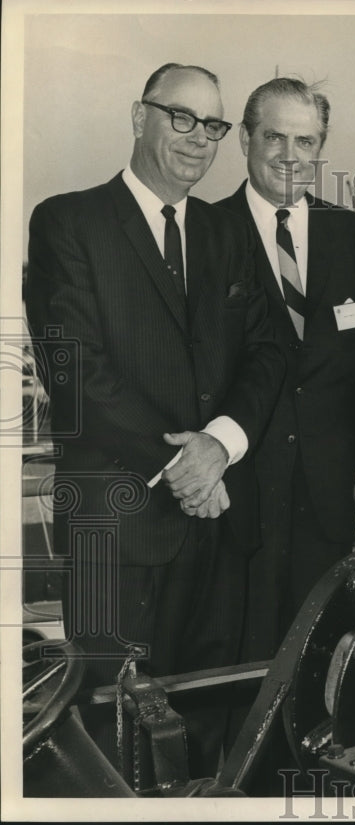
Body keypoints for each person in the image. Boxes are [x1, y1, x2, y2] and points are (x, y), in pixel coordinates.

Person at [25, 63, 284, 776]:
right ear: (139, 115)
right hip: (120, 532)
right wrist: (189, 463)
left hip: (218, 531)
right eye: (181, 118)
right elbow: (76, 373)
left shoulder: (225, 232)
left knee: (205, 734)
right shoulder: (68, 221)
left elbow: (267, 351)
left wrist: (222, 443)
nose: (199, 139)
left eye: (214, 126)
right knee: (114, 737)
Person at [216, 78, 355, 662]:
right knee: (239, 661)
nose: (290, 155)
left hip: (328, 492)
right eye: (274, 137)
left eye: (305, 141)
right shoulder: (207, 232)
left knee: (318, 658)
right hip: (238, 490)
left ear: (321, 147)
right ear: (246, 141)